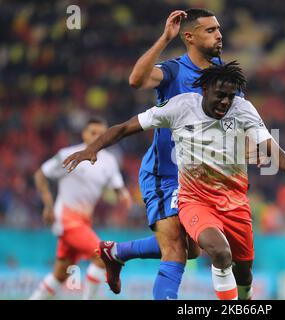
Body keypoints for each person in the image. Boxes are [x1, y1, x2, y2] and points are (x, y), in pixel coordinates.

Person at [63, 62, 285, 300]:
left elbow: (267, 142)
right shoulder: (181, 107)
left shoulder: (243, 109)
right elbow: (126, 127)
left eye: (230, 96)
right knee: (218, 253)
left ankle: (117, 252)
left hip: (235, 203)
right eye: (220, 95)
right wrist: (92, 148)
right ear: (203, 89)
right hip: (195, 200)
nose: (225, 102)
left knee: (242, 273)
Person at [98, 8, 229, 300]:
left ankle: (116, 252)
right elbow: (136, 80)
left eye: (218, 28)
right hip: (165, 174)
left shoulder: (222, 73)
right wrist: (163, 39)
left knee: (192, 248)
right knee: (176, 250)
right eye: (210, 30)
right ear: (189, 37)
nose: (219, 34)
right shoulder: (173, 70)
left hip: (196, 177)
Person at [29, 117, 131, 300]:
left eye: (102, 133)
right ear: (84, 134)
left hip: (84, 222)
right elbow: (40, 175)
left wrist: (123, 195)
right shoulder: (69, 154)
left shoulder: (109, 161)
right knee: (103, 258)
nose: (98, 137)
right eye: (93, 133)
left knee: (60, 275)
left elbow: (117, 187)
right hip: (66, 219)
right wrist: (48, 204)